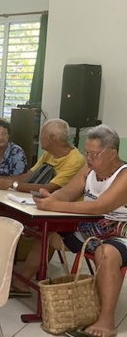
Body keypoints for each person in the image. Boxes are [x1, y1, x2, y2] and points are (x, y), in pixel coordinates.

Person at [31, 125, 126, 337]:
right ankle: (22, 282)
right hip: (92, 228)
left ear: (112, 154)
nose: (89, 158)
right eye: (87, 152)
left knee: (106, 253)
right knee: (48, 234)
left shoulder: (124, 175)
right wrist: (50, 198)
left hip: (121, 233)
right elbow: (66, 194)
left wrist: (53, 206)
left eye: (95, 154)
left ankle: (106, 320)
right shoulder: (89, 170)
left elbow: (100, 206)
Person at [0, 118, 85, 193]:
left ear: (52, 138)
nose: (39, 138)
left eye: (42, 134)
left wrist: (12, 185)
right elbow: (28, 176)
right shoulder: (49, 154)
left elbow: (49, 188)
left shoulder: (75, 161)